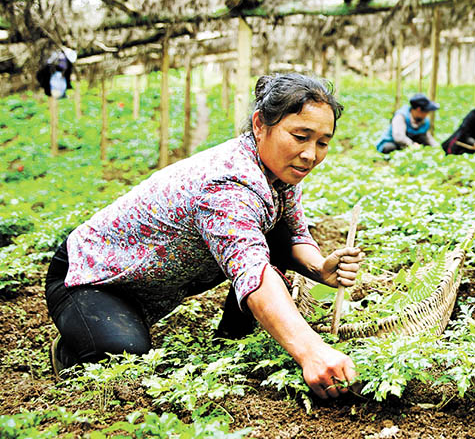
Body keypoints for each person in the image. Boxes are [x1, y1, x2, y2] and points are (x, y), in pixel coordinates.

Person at [45, 73, 361, 399]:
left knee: (273, 230)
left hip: (151, 285)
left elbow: (292, 232)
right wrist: (311, 351)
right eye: (300, 136)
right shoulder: (229, 183)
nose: (310, 154)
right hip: (88, 277)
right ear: (259, 125)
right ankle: (73, 348)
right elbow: (253, 270)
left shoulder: (280, 171)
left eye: (322, 142)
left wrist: (319, 268)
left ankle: (231, 345)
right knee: (123, 357)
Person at [375, 93, 440, 153]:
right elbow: (399, 137)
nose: (427, 114)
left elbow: (426, 136)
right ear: (418, 109)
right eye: (426, 112)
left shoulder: (423, 120)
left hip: (410, 143)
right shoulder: (401, 117)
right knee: (390, 147)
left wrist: (437, 148)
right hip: (394, 142)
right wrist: (412, 144)